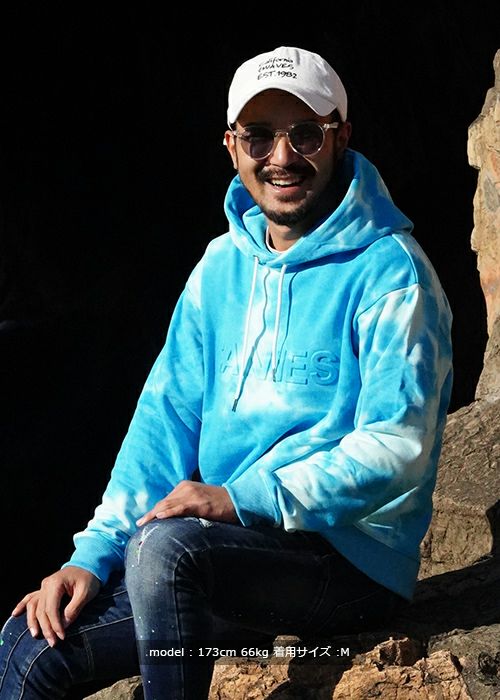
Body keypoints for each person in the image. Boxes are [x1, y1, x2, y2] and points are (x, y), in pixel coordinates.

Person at [0, 45, 453, 700]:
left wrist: (242, 498)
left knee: (166, 551)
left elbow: (396, 448)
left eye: (305, 133)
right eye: (259, 136)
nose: (281, 156)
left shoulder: (391, 271)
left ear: (341, 137)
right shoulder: (217, 269)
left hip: (349, 564)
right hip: (221, 557)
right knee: (28, 645)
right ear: (231, 145)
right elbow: (164, 426)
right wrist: (91, 557)